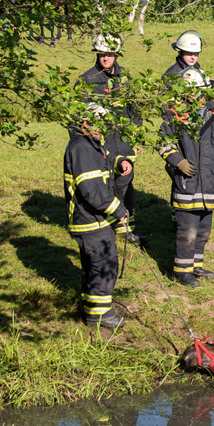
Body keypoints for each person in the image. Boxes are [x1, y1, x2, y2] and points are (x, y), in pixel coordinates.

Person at [63, 104, 133, 329]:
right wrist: (118, 209)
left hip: (93, 219)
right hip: (89, 220)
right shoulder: (82, 148)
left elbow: (103, 167)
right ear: (85, 123)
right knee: (104, 264)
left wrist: (118, 162)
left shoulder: (91, 144)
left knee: (93, 266)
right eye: (98, 124)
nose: (102, 129)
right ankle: (99, 315)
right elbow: (92, 191)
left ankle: (90, 305)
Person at [159, 67, 214, 288]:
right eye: (192, 91)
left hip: (208, 181)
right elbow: (163, 142)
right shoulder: (175, 113)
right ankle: (181, 271)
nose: (196, 95)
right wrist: (177, 161)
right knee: (187, 230)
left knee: (203, 228)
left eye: (199, 91)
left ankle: (196, 265)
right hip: (187, 183)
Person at [77, 34, 140, 239]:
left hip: (123, 143)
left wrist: (137, 139)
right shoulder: (86, 80)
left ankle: (123, 228)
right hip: (99, 144)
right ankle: (105, 226)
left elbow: (135, 113)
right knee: (103, 187)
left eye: (110, 54)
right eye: (102, 54)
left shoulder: (126, 79)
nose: (106, 58)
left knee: (124, 184)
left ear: (116, 55)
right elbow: (75, 119)